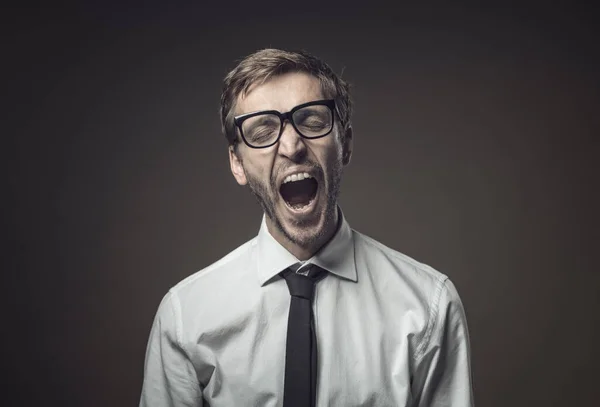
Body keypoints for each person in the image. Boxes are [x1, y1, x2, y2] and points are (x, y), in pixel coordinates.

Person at [139, 48, 474, 407]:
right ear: (237, 164)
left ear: (344, 144)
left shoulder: (428, 306)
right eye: (263, 129)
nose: (292, 145)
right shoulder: (186, 316)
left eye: (312, 121)